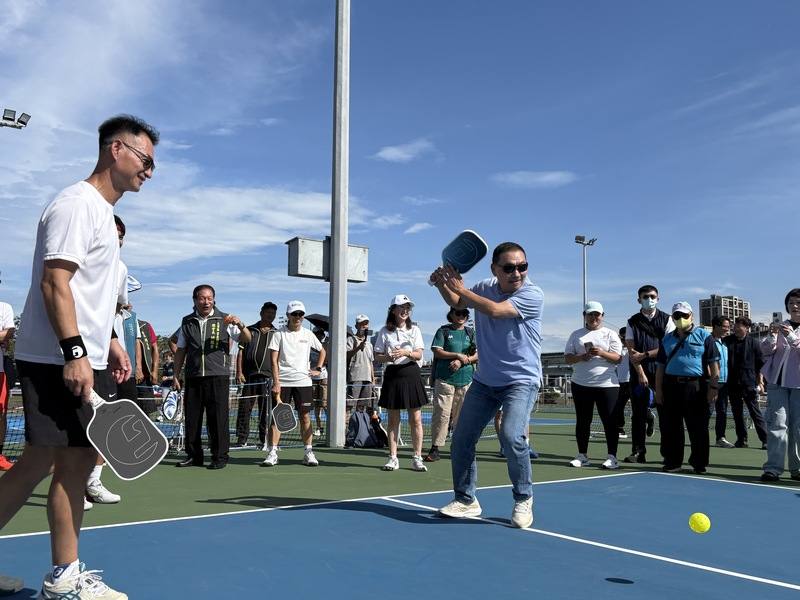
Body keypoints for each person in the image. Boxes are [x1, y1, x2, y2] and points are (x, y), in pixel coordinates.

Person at [0, 114, 157, 599]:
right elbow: (55, 282)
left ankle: (64, 574)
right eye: (145, 160)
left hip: (84, 356)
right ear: (116, 150)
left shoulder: (106, 222)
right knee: (48, 463)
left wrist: (107, 341)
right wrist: (74, 353)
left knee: (65, 463)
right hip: (56, 358)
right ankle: (65, 577)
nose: (149, 171)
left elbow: (91, 295)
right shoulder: (75, 205)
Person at [432, 242, 543, 529]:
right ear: (495, 269)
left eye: (522, 266)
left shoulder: (532, 294)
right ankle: (466, 500)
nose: (517, 272)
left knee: (511, 435)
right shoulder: (484, 286)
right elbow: (458, 303)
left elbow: (494, 310)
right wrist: (443, 284)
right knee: (461, 440)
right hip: (485, 381)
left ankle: (523, 498)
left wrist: (461, 289)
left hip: (521, 380)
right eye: (509, 268)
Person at [173, 284, 250, 470]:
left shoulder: (225, 319)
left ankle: (220, 456)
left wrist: (240, 324)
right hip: (194, 376)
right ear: (195, 300)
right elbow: (181, 350)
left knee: (218, 420)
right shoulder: (187, 321)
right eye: (202, 298)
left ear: (214, 299)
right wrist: (176, 374)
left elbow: (247, 339)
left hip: (218, 376)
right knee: (192, 419)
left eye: (209, 298)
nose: (206, 301)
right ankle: (193, 456)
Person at [655, 301, 719, 474]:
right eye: (677, 315)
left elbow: (714, 365)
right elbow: (660, 367)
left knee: (698, 427)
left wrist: (714, 388)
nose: (681, 318)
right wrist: (659, 390)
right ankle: (673, 461)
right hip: (671, 386)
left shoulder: (704, 336)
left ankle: (699, 462)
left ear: (692, 316)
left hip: (696, 386)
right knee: (671, 427)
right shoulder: (667, 338)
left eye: (684, 315)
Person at [263, 301, 325, 467]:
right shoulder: (278, 334)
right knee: (277, 419)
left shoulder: (308, 334)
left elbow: (322, 351)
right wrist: (276, 382)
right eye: (294, 314)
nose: (298, 317)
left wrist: (318, 368)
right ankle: (272, 452)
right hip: (283, 382)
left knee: (305, 417)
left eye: (300, 314)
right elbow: (273, 361)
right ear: (288, 315)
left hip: (303, 382)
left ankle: (308, 452)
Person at [564, 301, 623, 470]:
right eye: (590, 314)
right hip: (580, 384)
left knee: (609, 421)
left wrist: (602, 353)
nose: (593, 317)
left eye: (597, 314)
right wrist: (582, 357)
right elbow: (568, 358)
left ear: (602, 316)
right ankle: (582, 455)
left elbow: (618, 358)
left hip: (607, 385)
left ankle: (612, 457)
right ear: (585, 316)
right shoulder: (576, 335)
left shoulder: (611, 334)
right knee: (583, 421)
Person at [374, 294, 428, 472]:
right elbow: (377, 355)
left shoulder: (415, 330)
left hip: (411, 373)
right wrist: (388, 356)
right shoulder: (384, 331)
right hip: (392, 375)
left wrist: (406, 352)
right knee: (393, 420)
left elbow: (419, 354)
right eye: (401, 307)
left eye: (408, 307)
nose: (405, 310)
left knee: (416, 419)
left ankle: (417, 458)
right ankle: (393, 457)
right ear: (393, 310)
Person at [623, 284, 673, 463]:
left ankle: (668, 452)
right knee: (638, 414)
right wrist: (641, 372)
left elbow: (668, 347)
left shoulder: (667, 320)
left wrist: (645, 354)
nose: (649, 300)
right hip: (639, 373)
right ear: (639, 300)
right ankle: (638, 451)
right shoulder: (632, 321)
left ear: (658, 298)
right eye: (645, 297)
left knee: (666, 413)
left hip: (663, 372)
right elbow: (631, 350)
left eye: (652, 296)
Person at [424, 307, 477, 462]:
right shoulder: (443, 331)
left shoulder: (471, 333)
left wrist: (462, 360)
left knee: (462, 417)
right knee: (442, 415)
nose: (461, 316)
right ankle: (435, 448)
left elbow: (478, 354)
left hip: (466, 380)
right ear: (451, 315)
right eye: (458, 313)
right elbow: (437, 351)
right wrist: (456, 355)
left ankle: (459, 447)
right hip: (445, 380)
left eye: (464, 314)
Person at [760, 289, 800, 482]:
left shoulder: (790, 331)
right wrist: (771, 336)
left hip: (798, 385)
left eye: (798, 302)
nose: (794, 306)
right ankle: (773, 469)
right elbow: (766, 352)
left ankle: (797, 468)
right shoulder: (781, 326)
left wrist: (792, 338)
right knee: (777, 425)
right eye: (791, 302)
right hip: (777, 383)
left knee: (798, 427)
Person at [234, 302, 277, 448]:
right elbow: (240, 352)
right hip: (250, 377)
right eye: (268, 313)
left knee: (266, 411)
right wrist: (239, 372)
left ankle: (264, 439)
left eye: (273, 314)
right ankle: (242, 439)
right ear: (261, 313)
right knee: (244, 408)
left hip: (268, 379)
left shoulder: (277, 333)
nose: (270, 316)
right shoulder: (249, 330)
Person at [723, 316, 767, 449]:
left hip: (749, 382)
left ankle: (765, 440)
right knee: (737, 413)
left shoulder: (754, 343)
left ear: (747, 328)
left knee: (755, 411)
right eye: (735, 326)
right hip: (731, 382)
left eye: (739, 326)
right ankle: (742, 439)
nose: (735, 329)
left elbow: (761, 365)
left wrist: (760, 382)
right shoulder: (727, 341)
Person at [710, 316, 735, 449]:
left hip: (724, 383)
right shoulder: (708, 341)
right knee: (707, 411)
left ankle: (720, 438)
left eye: (728, 326)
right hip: (711, 382)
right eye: (725, 326)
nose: (728, 329)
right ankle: (699, 437)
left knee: (722, 411)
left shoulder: (726, 342)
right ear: (716, 326)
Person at [0, 300, 16, 471]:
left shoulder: (5, 307)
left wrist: (5, 335)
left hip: (0, 371)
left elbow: (9, 333)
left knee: (1, 413)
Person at [346, 314, 375, 408]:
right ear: (356, 326)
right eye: (361, 324)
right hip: (355, 377)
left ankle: (360, 423)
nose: (364, 326)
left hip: (367, 379)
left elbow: (371, 363)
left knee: (363, 407)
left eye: (366, 323)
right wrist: (358, 347)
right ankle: (345, 423)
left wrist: (373, 380)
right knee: (350, 406)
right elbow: (346, 355)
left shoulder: (369, 344)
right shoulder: (350, 340)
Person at [310, 328, 329, 438]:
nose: (319, 336)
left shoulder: (325, 346)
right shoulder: (309, 346)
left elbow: (326, 360)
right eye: (317, 334)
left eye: (321, 334)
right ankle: (319, 427)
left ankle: (330, 427)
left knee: (325, 404)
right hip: (312, 378)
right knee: (316, 405)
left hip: (323, 377)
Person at [614, 327, 631, 439]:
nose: (624, 339)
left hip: (634, 381)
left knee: (640, 407)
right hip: (621, 382)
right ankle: (620, 428)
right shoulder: (617, 348)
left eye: (626, 336)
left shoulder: (634, 347)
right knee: (618, 407)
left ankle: (649, 418)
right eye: (622, 337)